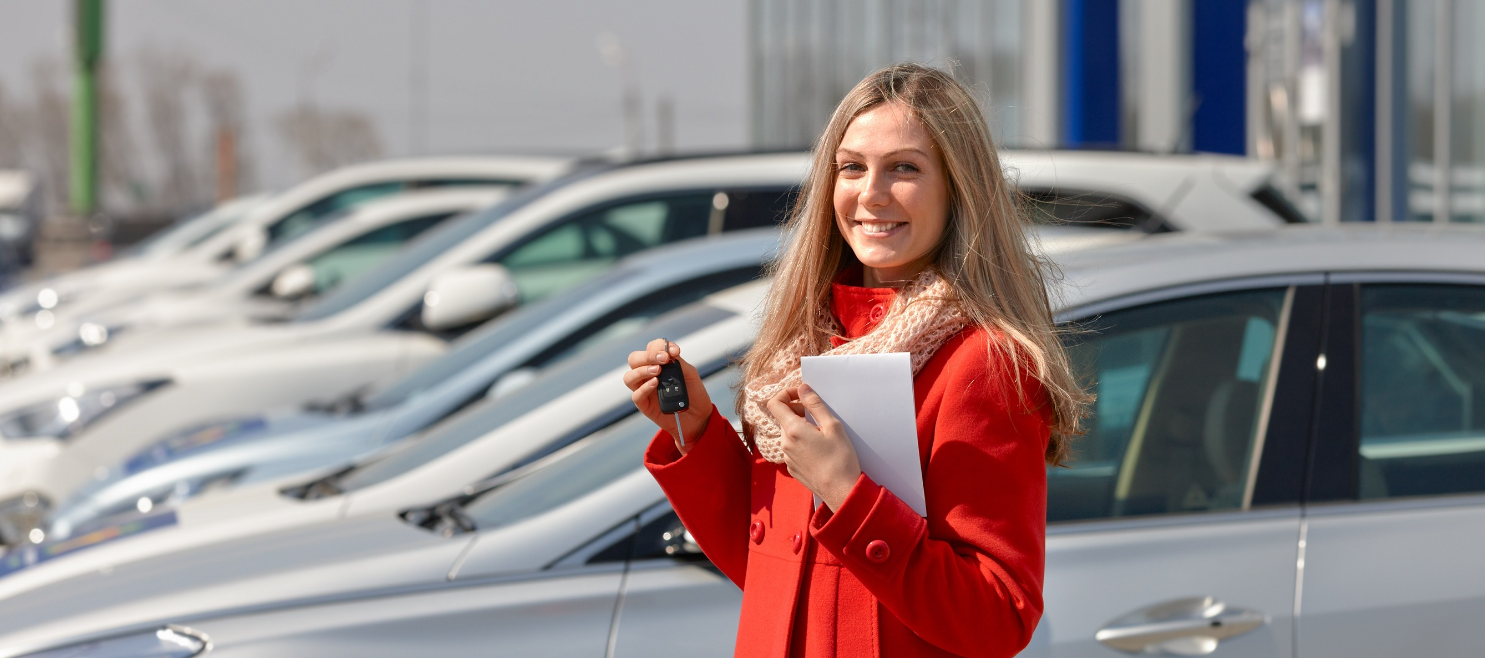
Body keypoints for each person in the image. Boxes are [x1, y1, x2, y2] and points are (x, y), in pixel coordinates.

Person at [622, 64, 1090, 658]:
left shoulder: (984, 362)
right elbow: (774, 572)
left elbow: (998, 618)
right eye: (852, 167)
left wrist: (848, 492)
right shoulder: (805, 342)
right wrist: (692, 430)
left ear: (958, 187)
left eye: (905, 168)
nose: (871, 193)